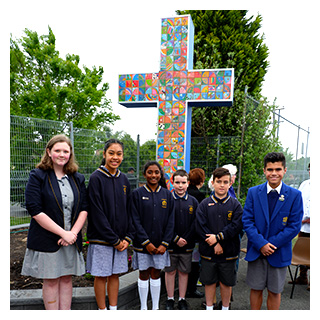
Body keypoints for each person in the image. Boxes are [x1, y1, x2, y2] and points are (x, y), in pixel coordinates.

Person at [21, 134, 88, 310]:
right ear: (49, 152)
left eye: (65, 151)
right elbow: (34, 209)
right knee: (50, 280)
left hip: (71, 240)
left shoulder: (77, 178)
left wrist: (72, 234)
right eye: (57, 150)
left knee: (66, 278)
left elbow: (84, 207)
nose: (61, 154)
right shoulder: (38, 175)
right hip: (48, 239)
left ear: (70, 154)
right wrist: (62, 233)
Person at [242, 152, 303, 310]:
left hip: (279, 251)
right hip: (257, 250)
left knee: (275, 291)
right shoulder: (253, 192)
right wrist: (261, 243)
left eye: (278, 169)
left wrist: (270, 244)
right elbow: (247, 221)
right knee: (255, 289)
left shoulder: (295, 196)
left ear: (284, 170)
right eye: (270, 169)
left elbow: (294, 226)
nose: (274, 173)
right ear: (264, 171)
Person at [86, 139, 134, 310]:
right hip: (102, 240)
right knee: (101, 276)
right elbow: (96, 213)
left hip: (121, 241)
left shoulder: (124, 180)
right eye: (111, 153)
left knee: (115, 275)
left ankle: (113, 309)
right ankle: (102, 310)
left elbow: (130, 210)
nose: (115, 157)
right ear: (104, 154)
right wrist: (114, 239)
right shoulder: (95, 178)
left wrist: (127, 237)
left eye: (119, 153)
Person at [196, 167, 243, 310]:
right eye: (219, 181)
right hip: (208, 252)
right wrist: (214, 243)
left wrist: (218, 238)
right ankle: (209, 308)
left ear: (230, 184)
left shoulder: (236, 205)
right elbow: (200, 226)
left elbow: (236, 226)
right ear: (213, 183)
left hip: (229, 253)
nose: (222, 185)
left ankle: (225, 308)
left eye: (225, 182)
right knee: (209, 282)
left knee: (226, 283)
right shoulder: (204, 204)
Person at [131, 161, 175, 310]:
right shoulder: (137, 194)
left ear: (160, 174)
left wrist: (165, 244)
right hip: (143, 245)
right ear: (144, 174)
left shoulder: (167, 195)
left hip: (161, 245)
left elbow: (171, 221)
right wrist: (146, 242)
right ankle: (144, 308)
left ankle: (155, 308)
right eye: (150, 172)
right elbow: (134, 219)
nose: (153, 175)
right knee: (143, 273)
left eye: (156, 172)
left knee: (156, 273)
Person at [165, 169, 198, 310]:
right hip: (171, 244)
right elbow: (164, 222)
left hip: (187, 244)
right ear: (172, 182)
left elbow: (196, 222)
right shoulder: (167, 200)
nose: (180, 186)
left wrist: (186, 238)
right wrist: (175, 238)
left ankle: (182, 299)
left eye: (183, 183)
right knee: (170, 271)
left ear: (188, 183)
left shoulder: (193, 201)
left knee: (184, 272)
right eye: (177, 182)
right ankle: (170, 298)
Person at [289, 162, 310, 287]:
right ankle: (303, 277)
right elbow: (298, 203)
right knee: (302, 250)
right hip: (302, 225)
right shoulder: (304, 184)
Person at [186, 168, 205, 299]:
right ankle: (191, 290)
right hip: (195, 236)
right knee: (194, 264)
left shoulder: (184, 193)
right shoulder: (200, 196)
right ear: (201, 180)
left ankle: (182, 290)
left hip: (181, 235)